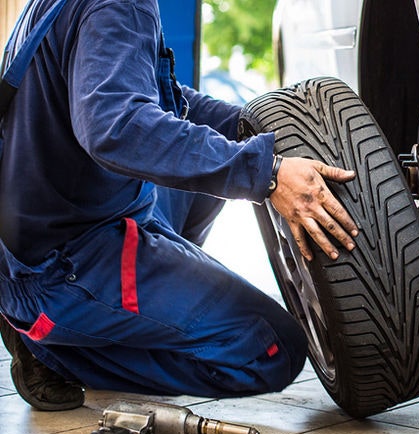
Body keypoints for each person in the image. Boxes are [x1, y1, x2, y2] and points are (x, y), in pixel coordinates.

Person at [0, 0, 358, 411]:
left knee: (200, 172)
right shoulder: (120, 4)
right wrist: (268, 174)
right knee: (273, 348)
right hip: (63, 265)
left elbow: (153, 96)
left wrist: (256, 129)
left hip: (45, 231)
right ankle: (50, 348)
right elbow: (115, 128)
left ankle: (146, 308)